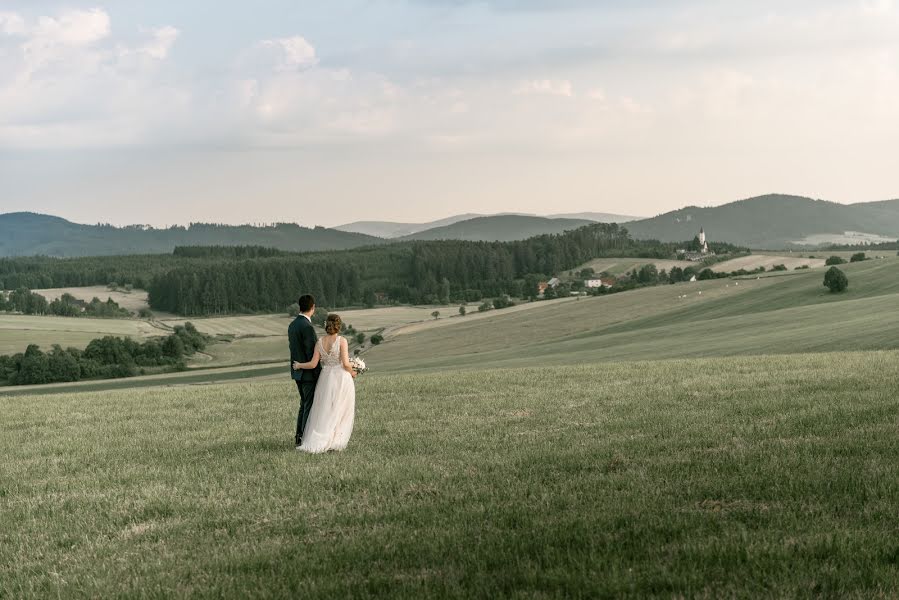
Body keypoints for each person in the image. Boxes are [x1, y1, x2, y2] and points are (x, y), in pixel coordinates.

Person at [292, 313, 357, 453]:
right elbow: (345, 363)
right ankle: (334, 440)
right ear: (339, 325)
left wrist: (299, 366)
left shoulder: (319, 342)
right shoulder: (342, 341)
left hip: (325, 378)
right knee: (340, 409)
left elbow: (313, 364)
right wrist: (353, 372)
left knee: (325, 409)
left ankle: (321, 438)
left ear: (326, 325)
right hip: (340, 378)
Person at [288, 294, 320, 448]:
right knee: (308, 406)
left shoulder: (292, 325)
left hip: (297, 372)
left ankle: (299, 437)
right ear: (312, 307)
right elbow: (311, 353)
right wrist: (318, 374)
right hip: (308, 373)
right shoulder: (307, 327)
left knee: (303, 405)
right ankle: (304, 439)